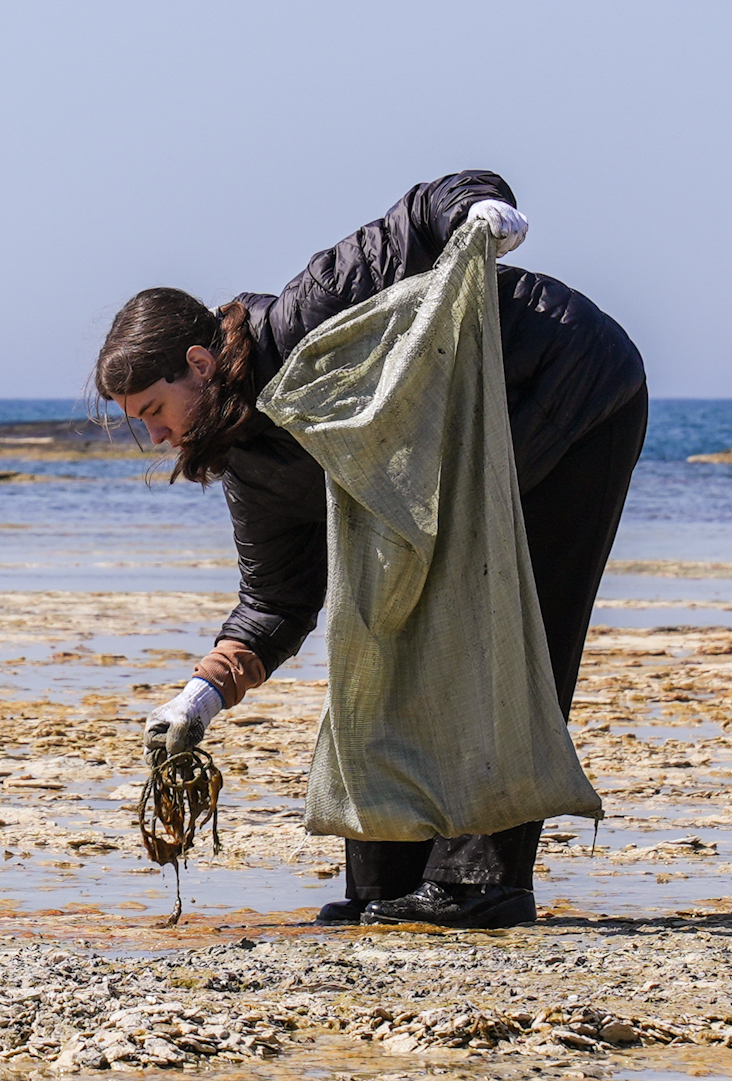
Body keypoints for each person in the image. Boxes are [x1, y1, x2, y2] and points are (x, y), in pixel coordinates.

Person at [94, 170, 646, 930]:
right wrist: (201, 693)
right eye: (137, 421)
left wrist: (478, 211)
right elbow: (277, 602)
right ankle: (383, 877)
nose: (154, 435)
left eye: (153, 410)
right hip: (467, 446)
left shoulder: (304, 317)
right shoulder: (249, 463)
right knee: (376, 631)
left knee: (504, 624)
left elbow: (423, 211)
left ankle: (483, 880)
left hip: (570, 383)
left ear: (197, 363)